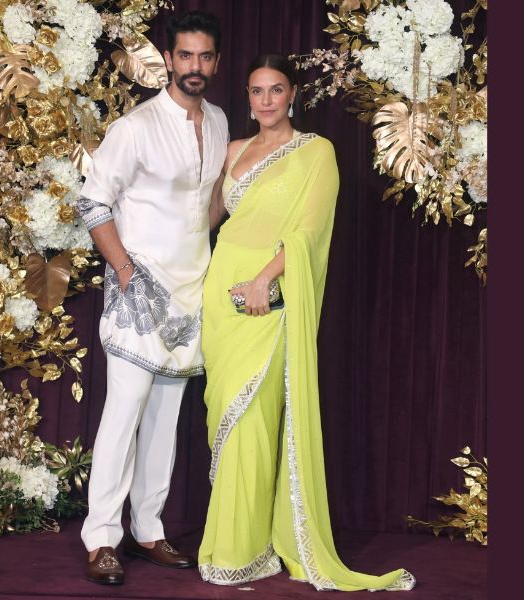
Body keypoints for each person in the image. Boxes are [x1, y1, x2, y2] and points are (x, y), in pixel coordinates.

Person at [197, 54, 416, 592]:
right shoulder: (233, 151)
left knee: (252, 418)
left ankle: (241, 550)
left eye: (276, 90)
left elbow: (309, 232)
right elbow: (207, 220)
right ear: (247, 97)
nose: (266, 100)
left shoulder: (316, 152)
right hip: (220, 294)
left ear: (292, 93)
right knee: (224, 414)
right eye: (256, 91)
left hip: (266, 298)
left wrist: (263, 281)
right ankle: (239, 544)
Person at [75, 10, 229, 586]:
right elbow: (93, 203)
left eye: (204, 56)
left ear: (215, 62)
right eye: (185, 55)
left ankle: (148, 529)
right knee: (124, 413)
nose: (194, 66)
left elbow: (208, 202)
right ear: (168, 59)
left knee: (165, 419)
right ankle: (101, 538)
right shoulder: (136, 127)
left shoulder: (219, 121)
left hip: (192, 291)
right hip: (138, 291)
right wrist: (123, 269)